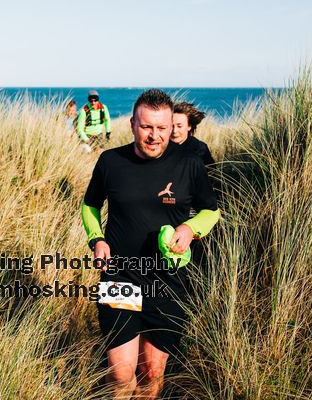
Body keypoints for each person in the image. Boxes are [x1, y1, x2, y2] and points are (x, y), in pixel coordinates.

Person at [81, 89, 220, 399]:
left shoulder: (189, 164)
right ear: (132, 124)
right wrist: (97, 239)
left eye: (161, 128)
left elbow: (212, 211)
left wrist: (190, 228)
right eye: (146, 127)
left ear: (172, 126)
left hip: (169, 283)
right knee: (120, 373)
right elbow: (89, 205)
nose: (154, 136)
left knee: (152, 371)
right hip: (120, 277)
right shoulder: (110, 161)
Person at [171, 102, 215, 166]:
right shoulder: (160, 146)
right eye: (171, 126)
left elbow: (213, 173)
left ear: (189, 126)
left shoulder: (199, 148)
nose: (174, 131)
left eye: (179, 126)